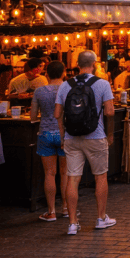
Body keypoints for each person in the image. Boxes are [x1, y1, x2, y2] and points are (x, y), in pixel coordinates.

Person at [55, 50, 117, 235]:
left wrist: (62, 136)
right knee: (100, 177)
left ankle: (73, 223)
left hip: (72, 138)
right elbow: (110, 112)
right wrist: (110, 134)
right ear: (95, 64)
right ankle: (101, 218)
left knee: (72, 178)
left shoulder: (65, 85)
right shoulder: (103, 84)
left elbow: (57, 114)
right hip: (96, 136)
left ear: (77, 64)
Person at [31, 61, 68, 222]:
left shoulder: (39, 91)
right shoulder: (69, 88)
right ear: (64, 73)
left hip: (45, 133)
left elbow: (33, 116)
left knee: (49, 173)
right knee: (65, 173)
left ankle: (51, 211)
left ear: (46, 74)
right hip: (65, 134)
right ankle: (66, 208)